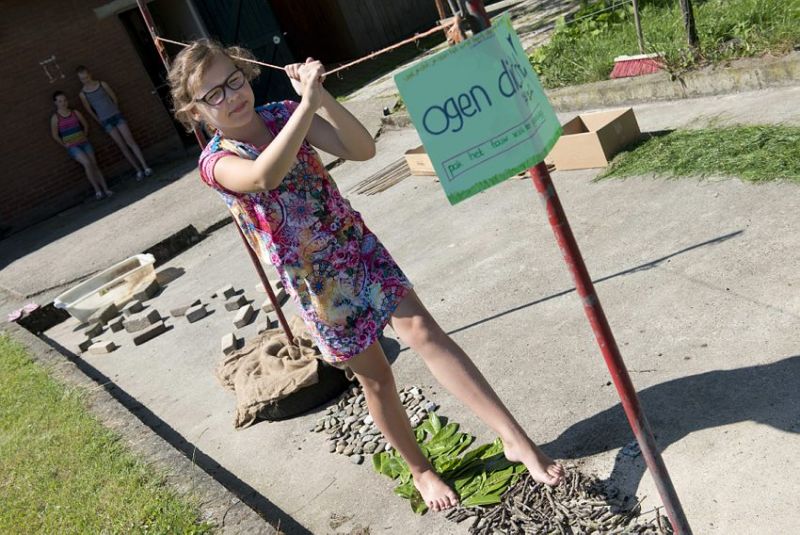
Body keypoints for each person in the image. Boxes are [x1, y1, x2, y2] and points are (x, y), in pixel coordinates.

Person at [167, 40, 564, 513]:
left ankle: (514, 438)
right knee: (376, 379)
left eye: (234, 79)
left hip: (356, 245)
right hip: (317, 283)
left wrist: (322, 97)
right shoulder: (214, 161)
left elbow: (362, 148)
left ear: (246, 73)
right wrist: (306, 107)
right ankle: (421, 469)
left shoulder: (280, 113)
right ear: (195, 110)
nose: (231, 95)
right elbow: (262, 177)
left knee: (425, 332)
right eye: (214, 94)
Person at [76, 65, 153, 180]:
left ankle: (145, 166)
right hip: (105, 121)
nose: (85, 80)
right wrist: (99, 120)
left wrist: (115, 109)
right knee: (122, 146)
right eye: (82, 79)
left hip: (116, 116)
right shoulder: (83, 94)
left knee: (130, 140)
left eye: (86, 77)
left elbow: (113, 97)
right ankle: (138, 170)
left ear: (89, 74)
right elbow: (89, 110)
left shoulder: (102, 84)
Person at [50, 91, 112, 200]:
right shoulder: (55, 118)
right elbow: (55, 135)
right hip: (73, 147)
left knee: (94, 164)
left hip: (84, 142)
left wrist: (85, 134)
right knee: (87, 163)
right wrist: (65, 145)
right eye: (60, 101)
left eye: (64, 100)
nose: (63, 103)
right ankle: (97, 191)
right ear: (56, 103)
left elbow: (85, 124)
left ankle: (106, 189)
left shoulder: (75, 112)